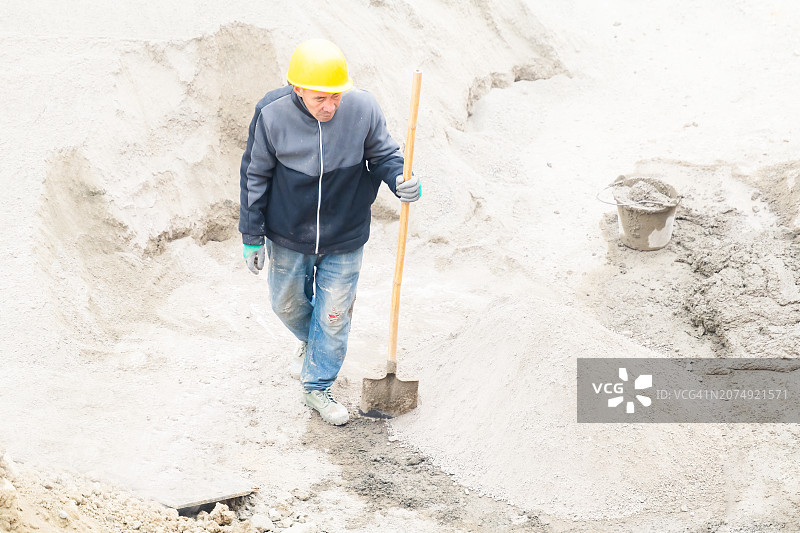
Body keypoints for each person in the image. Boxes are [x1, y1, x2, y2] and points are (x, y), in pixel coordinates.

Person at [239, 39, 421, 426]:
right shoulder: (271, 114)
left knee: (334, 315)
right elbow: (255, 174)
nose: (331, 106)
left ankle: (317, 386)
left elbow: (385, 155)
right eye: (321, 98)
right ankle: (312, 344)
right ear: (297, 88)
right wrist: (251, 234)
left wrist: (399, 179)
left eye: (337, 96)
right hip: (288, 233)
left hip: (345, 233)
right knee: (285, 304)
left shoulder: (363, 107)